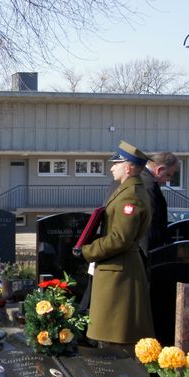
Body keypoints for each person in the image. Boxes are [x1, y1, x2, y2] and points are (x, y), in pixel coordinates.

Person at [74, 141, 154, 348]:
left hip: (119, 273)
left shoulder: (131, 196)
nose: (111, 168)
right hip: (116, 269)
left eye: (116, 163)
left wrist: (88, 251)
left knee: (115, 340)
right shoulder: (126, 190)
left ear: (128, 167)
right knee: (110, 338)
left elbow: (121, 238)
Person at [140, 152, 179, 257]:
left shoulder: (143, 179)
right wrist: (151, 256)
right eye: (168, 175)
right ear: (159, 170)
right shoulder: (148, 185)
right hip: (146, 251)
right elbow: (149, 224)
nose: (168, 180)